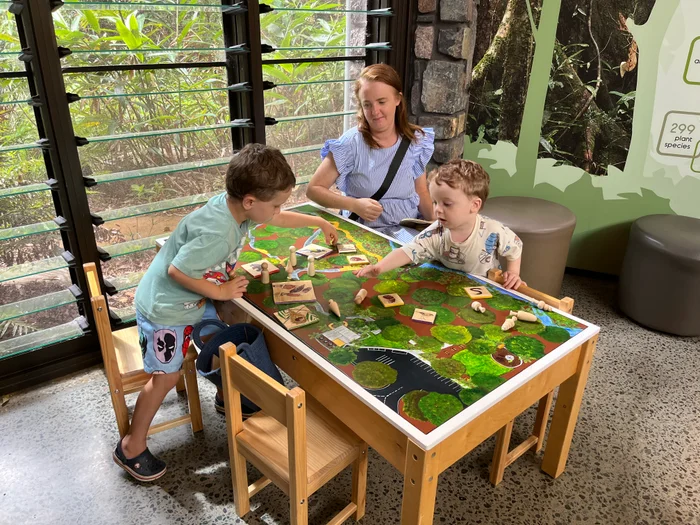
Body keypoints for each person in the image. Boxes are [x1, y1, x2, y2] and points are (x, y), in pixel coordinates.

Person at [113, 144, 338, 482]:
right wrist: (219, 291)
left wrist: (316, 220)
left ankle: (227, 396)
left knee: (221, 338)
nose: (279, 209)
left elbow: (275, 217)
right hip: (166, 309)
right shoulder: (219, 232)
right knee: (165, 378)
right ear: (250, 201)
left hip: (188, 300)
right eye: (276, 202)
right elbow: (177, 271)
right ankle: (131, 445)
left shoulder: (236, 208)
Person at [306, 63, 435, 241]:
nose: (375, 112)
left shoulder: (416, 140)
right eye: (367, 104)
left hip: (407, 233)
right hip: (364, 234)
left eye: (382, 102)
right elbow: (313, 190)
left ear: (398, 99)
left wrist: (437, 227)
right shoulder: (351, 143)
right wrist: (354, 204)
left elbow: (421, 191)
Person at [356, 159, 525, 290]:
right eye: (435, 202)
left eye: (447, 204)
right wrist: (379, 267)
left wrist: (513, 273)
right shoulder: (436, 232)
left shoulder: (493, 230)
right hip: (446, 286)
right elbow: (407, 251)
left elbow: (515, 246)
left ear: (474, 205)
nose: (437, 210)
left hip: (483, 289)